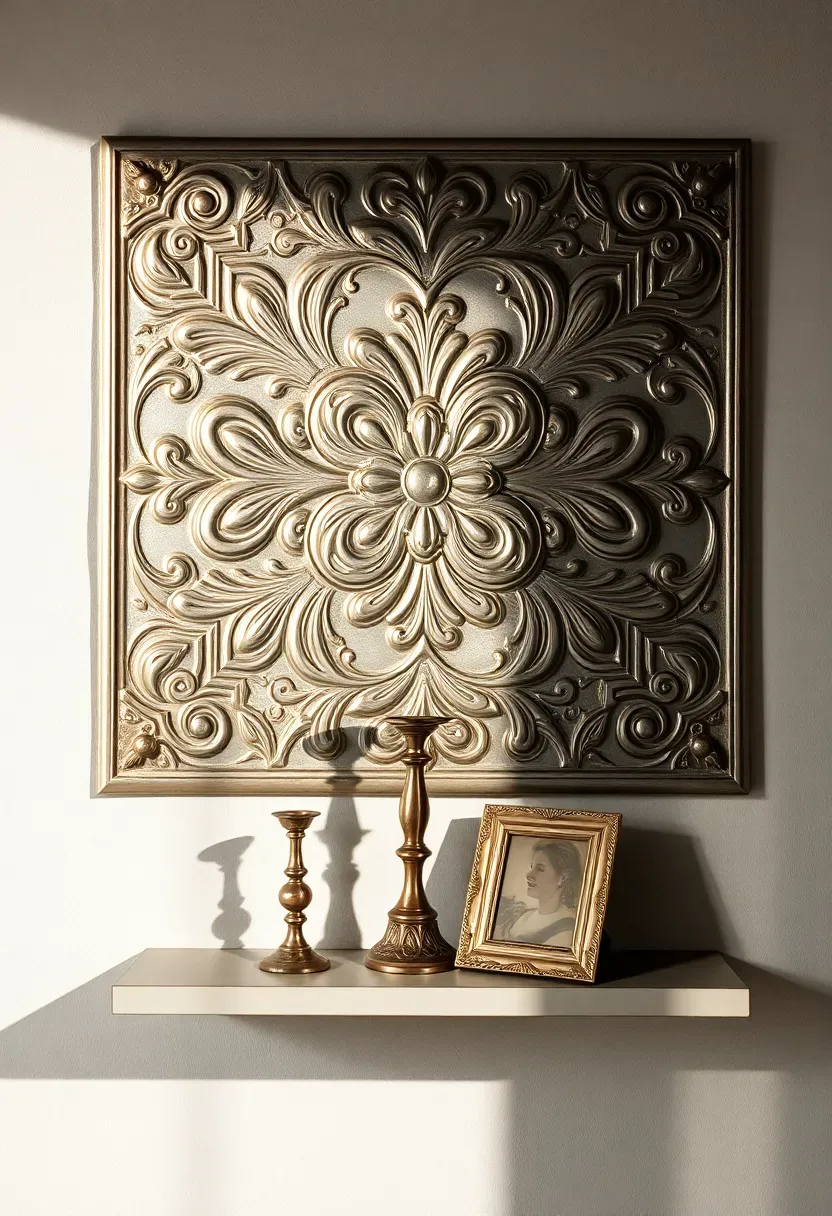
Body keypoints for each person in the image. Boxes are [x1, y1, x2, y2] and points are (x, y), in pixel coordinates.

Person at [495, 839, 583, 948]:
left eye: (540, 869)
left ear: (562, 878)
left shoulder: (568, 927)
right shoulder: (523, 915)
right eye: (532, 867)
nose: (529, 875)